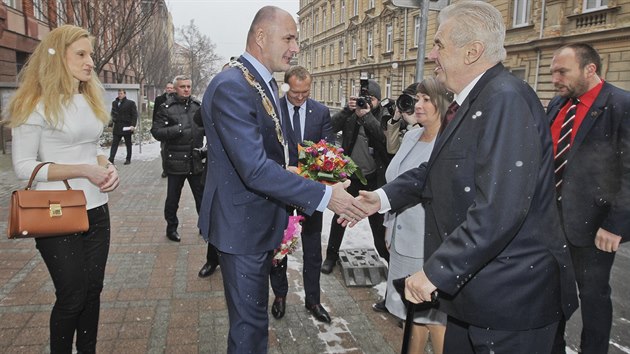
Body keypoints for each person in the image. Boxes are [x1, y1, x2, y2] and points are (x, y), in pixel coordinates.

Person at [354, 2, 578, 353]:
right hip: (474, 296)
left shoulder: (505, 100)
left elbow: (500, 209)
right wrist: (381, 198)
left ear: (472, 52)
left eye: (440, 44)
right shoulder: (472, 101)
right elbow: (440, 169)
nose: (431, 54)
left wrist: (435, 272)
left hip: (509, 304)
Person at [198, 6, 365, 353]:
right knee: (248, 330)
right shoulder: (233, 85)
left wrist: (297, 173)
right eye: (288, 38)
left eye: (296, 39)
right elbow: (255, 169)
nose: (295, 48)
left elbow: (264, 156)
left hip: (254, 222)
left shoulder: (256, 81)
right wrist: (323, 195)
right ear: (261, 37)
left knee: (254, 324)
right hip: (241, 228)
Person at [4, 25, 119, 353]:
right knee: (72, 295)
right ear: (57, 57)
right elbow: (23, 167)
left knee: (93, 291)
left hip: (97, 208)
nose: (91, 62)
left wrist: (105, 166)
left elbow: (92, 147)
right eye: (81, 54)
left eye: (91, 54)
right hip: (55, 211)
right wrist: (83, 170)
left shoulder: (88, 98)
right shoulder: (33, 103)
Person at [548, 43, 630, 354]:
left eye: (562, 72)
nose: (555, 79)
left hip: (594, 226)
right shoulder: (558, 105)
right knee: (550, 293)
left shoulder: (621, 105)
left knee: (594, 296)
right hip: (551, 222)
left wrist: (615, 224)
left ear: (590, 69)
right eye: (553, 71)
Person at [383, 77, 450, 354]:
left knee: (434, 319)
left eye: (426, 99)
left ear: (443, 103)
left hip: (428, 243)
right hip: (401, 238)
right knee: (412, 318)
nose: (418, 105)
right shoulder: (411, 135)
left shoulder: (448, 143)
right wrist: (389, 227)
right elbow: (396, 184)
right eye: (417, 99)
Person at [269, 65, 334, 323]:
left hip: (309, 192)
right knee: (280, 245)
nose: (300, 97)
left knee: (312, 250)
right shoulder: (273, 111)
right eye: (295, 92)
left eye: (305, 92)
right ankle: (281, 295)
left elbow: (327, 150)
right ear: (286, 87)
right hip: (281, 191)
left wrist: (316, 170)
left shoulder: (320, 111)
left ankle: (313, 300)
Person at [321, 78, 390, 275]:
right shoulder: (352, 116)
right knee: (340, 216)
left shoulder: (384, 116)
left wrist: (367, 116)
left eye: (371, 99)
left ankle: (388, 260)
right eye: (363, 98)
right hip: (352, 176)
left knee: (378, 225)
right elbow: (330, 129)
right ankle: (331, 257)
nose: (366, 102)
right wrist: (346, 110)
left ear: (377, 100)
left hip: (374, 179)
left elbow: (385, 142)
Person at [151, 75, 206, 243]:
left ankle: (204, 226)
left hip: (195, 160)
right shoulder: (165, 108)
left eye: (188, 86)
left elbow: (206, 127)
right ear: (175, 88)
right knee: (173, 199)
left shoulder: (198, 106)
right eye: (183, 86)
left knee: (202, 197)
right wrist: (177, 129)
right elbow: (156, 132)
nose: (186, 89)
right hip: (175, 161)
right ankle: (171, 228)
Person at [108, 89, 138, 165]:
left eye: (121, 93)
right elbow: (112, 114)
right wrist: (110, 124)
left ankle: (128, 159)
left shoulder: (130, 103)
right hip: (117, 127)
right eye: (118, 93)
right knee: (114, 143)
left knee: (128, 144)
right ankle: (111, 158)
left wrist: (133, 125)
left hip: (126, 127)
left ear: (125, 94)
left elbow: (134, 115)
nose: (119, 95)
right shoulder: (115, 103)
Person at [153, 82, 175, 178]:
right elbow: (155, 114)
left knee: (175, 150)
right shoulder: (159, 99)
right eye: (167, 88)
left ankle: (173, 169)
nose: (169, 89)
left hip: (175, 128)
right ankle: (165, 170)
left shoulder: (177, 98)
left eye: (171, 88)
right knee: (164, 150)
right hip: (163, 129)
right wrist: (155, 127)